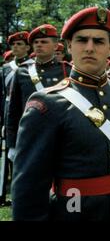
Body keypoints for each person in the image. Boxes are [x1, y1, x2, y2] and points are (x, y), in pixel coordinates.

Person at [12, 6, 110, 220]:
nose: (90, 48)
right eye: (82, 40)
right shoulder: (47, 103)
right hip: (74, 211)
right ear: (68, 46)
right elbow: (29, 186)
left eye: (99, 41)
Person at [5, 25, 71, 161]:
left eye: (44, 42)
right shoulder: (22, 72)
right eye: (36, 42)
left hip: (61, 135)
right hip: (30, 136)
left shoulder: (67, 70)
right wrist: (12, 144)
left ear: (55, 45)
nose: (39, 45)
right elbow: (14, 110)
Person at [0, 31, 31, 207]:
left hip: (26, 113)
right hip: (8, 115)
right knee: (7, 157)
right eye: (14, 45)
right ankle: (4, 193)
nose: (16, 47)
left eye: (20, 44)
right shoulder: (5, 69)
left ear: (27, 47)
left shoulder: (32, 68)